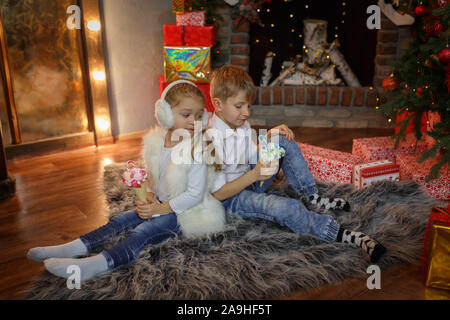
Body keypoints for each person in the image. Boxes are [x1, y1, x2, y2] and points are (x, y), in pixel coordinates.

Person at [27, 80, 226, 280]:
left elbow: (193, 195)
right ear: (164, 113)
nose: (194, 121)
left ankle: (94, 265)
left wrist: (159, 209)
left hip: (187, 212)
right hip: (161, 203)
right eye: (186, 115)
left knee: (144, 232)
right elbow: (156, 175)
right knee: (121, 221)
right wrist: (149, 193)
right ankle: (70, 248)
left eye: (199, 116)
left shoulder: (195, 150)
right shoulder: (159, 141)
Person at [207, 65, 386, 263]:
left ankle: (311, 196)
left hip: (249, 177)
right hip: (231, 198)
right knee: (285, 207)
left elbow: (247, 154)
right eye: (239, 106)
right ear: (218, 104)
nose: (246, 112)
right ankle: (340, 233)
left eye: (249, 106)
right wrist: (255, 175)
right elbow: (217, 194)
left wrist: (269, 137)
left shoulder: (239, 123)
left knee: (282, 138)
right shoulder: (210, 140)